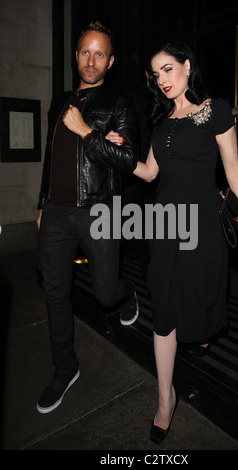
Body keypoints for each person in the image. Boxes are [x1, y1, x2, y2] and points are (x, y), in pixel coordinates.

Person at [129, 40, 238, 443]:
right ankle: (165, 399)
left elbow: (232, 169)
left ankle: (199, 331)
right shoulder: (161, 119)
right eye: (155, 73)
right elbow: (150, 173)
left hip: (202, 223)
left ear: (187, 66)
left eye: (168, 69)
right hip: (165, 223)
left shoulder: (216, 110)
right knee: (163, 305)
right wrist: (115, 153)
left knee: (199, 302)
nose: (161, 79)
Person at [36, 21, 139, 414]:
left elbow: (128, 160)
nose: (91, 60)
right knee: (54, 291)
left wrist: (86, 131)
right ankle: (65, 368)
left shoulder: (119, 104)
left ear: (110, 61)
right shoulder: (58, 101)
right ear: (76, 55)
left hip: (100, 212)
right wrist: (42, 205)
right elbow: (50, 158)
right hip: (58, 213)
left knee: (104, 293)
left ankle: (126, 292)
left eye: (100, 54)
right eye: (85, 52)